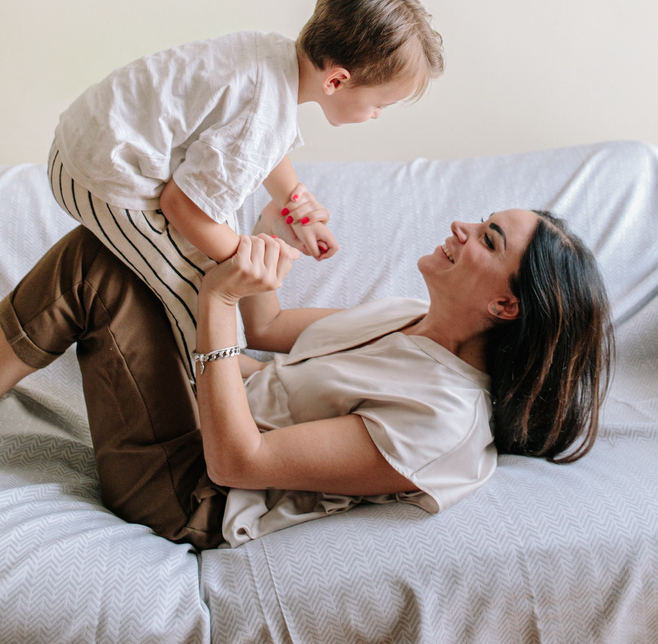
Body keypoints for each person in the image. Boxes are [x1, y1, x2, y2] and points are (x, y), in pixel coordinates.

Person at [0, 195, 614, 550]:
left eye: (488, 237)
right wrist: (273, 232)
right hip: (207, 422)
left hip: (191, 496)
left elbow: (239, 464)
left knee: (94, 263)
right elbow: (269, 330)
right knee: (128, 248)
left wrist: (215, 305)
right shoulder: (407, 317)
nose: (462, 227)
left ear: (505, 307)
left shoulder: (442, 419)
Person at [47, 0, 444, 376]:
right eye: (381, 104)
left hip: (85, 141)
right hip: (102, 176)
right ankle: (234, 376)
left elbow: (260, 146)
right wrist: (243, 261)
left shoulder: (270, 57)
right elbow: (181, 204)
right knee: (202, 285)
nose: (377, 114)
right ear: (337, 81)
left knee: (220, 222)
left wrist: (296, 204)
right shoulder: (262, 115)